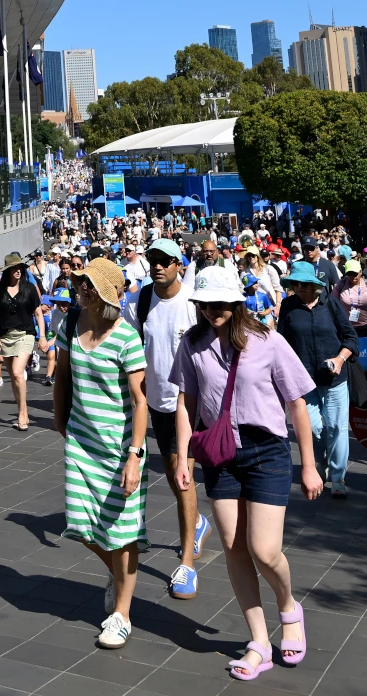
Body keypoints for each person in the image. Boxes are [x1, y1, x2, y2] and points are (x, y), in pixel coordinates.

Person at [171, 266, 322, 681]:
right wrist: (183, 459)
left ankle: (289, 607)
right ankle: (258, 641)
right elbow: (186, 403)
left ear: (236, 302)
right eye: (203, 304)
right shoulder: (193, 344)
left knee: (264, 549)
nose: (210, 311)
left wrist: (308, 466)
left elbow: (297, 405)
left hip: (266, 451)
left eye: (218, 303)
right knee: (234, 548)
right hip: (219, 453)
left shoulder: (267, 341)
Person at [52, 258, 149, 650]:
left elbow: (140, 401)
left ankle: (122, 614)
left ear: (105, 292)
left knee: (121, 533)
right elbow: (62, 374)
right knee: (81, 524)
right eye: (80, 282)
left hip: (118, 446)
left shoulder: (127, 337)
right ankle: (119, 575)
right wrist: (60, 420)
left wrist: (135, 455)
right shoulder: (71, 324)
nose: (81, 289)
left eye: (89, 284)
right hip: (80, 441)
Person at [123, 239, 209, 601]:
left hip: (189, 406)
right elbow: (128, 338)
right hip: (156, 405)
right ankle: (198, 523)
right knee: (178, 477)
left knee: (183, 478)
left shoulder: (192, 303)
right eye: (152, 260)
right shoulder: (142, 300)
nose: (157, 266)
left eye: (164, 261)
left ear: (179, 264)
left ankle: (186, 562)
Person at [275, 262, 357, 497]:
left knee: (337, 427)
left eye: (303, 284)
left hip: (334, 378)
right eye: (294, 284)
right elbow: (282, 344)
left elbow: (350, 337)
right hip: (303, 379)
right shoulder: (289, 307)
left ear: (314, 286)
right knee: (311, 427)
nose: (298, 288)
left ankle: (338, 476)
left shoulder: (330, 304)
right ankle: (320, 461)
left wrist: (340, 359)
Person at [0, 253, 48, 431]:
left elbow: (38, 313)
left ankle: (22, 413)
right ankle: (21, 409)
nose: (18, 271)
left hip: (25, 334)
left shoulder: (29, 288)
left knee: (17, 372)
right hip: (4, 336)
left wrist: (42, 336)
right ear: (8, 270)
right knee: (14, 379)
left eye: (19, 268)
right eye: (14, 268)